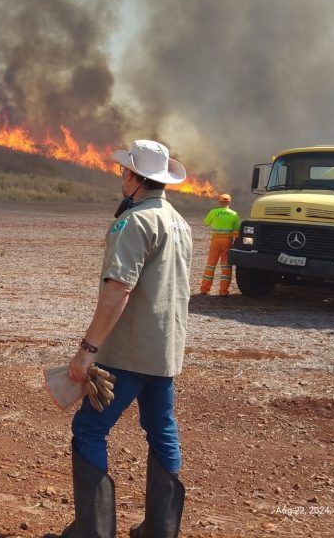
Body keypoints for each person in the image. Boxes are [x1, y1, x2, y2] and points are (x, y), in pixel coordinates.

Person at [57, 139, 192, 538]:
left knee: (90, 429)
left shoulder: (134, 222)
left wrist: (87, 350)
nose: (121, 176)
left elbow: (119, 290)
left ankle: (92, 531)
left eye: (124, 171)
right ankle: (160, 530)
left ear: (134, 177)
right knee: (160, 426)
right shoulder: (180, 223)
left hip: (129, 351)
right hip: (165, 349)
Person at [199, 193, 240, 296]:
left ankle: (204, 289)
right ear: (229, 202)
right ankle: (223, 291)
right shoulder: (234, 214)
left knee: (210, 265)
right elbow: (236, 231)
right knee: (226, 266)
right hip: (227, 242)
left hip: (215, 241)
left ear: (220, 202)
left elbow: (206, 223)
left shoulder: (214, 212)